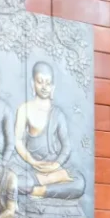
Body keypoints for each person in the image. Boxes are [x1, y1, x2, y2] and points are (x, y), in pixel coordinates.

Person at [14, 61, 84, 199]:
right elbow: (18, 141)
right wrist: (33, 162)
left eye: (48, 83)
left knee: (80, 182)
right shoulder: (24, 109)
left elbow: (66, 146)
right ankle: (45, 182)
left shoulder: (58, 114)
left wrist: (55, 165)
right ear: (32, 83)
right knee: (13, 180)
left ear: (53, 87)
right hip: (30, 166)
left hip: (52, 167)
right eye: (40, 82)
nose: (44, 87)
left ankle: (40, 191)